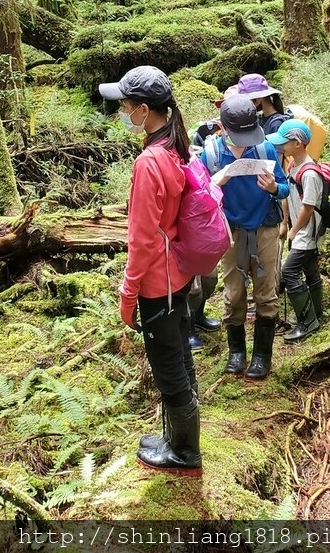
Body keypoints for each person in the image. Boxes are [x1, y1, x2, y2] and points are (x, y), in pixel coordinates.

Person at [98, 65, 201, 475]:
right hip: (179, 275)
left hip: (158, 283)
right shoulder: (177, 148)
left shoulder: (149, 163)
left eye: (124, 104)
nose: (121, 110)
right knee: (179, 354)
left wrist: (127, 294)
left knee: (167, 365)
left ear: (143, 110)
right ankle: (178, 439)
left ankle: (186, 454)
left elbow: (140, 241)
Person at [202, 94, 289, 381]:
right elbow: (200, 197)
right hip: (231, 231)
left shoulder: (264, 149)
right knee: (234, 291)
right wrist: (219, 181)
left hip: (264, 226)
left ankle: (262, 356)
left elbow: (286, 188)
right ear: (223, 127)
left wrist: (274, 187)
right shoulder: (212, 154)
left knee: (266, 291)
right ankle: (236, 352)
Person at [187, 85, 238, 351]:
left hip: (214, 218)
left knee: (210, 278)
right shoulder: (205, 133)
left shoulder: (245, 133)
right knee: (192, 284)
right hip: (195, 220)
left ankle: (199, 315)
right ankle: (187, 328)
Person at [269, 118, 322, 343]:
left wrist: (294, 231)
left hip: (307, 233)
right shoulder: (292, 166)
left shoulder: (310, 173)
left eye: (285, 142)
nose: (281, 146)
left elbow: (308, 208)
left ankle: (308, 321)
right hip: (298, 231)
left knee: (289, 273)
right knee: (310, 270)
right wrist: (284, 223)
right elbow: (288, 197)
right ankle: (316, 312)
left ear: (298, 143)